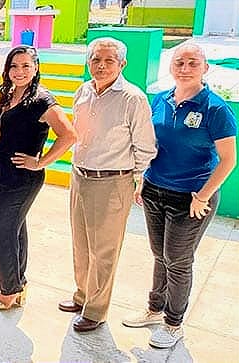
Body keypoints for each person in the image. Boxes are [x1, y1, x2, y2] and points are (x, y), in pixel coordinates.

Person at [121, 43, 237, 348]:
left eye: (192, 63)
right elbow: (151, 147)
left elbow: (228, 160)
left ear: (205, 68)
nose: (184, 68)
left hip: (192, 198)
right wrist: (142, 180)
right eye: (179, 62)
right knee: (160, 255)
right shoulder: (160, 100)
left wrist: (203, 196)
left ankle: (173, 324)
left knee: (178, 260)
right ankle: (154, 309)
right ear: (171, 67)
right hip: (155, 190)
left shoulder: (215, 108)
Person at [58, 37, 157, 332]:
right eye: (95, 60)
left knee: (104, 250)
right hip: (80, 176)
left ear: (122, 64)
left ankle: (96, 311)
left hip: (113, 180)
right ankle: (82, 296)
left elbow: (145, 147)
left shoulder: (132, 98)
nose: (100, 66)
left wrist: (131, 178)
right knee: (81, 243)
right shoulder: (83, 91)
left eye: (108, 61)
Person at [0, 45, 77, 310]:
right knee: (14, 228)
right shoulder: (8, 94)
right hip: (1, 169)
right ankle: (19, 285)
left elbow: (69, 134)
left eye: (26, 66)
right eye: (14, 66)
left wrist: (41, 162)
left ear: (36, 68)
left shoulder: (41, 99)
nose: (19, 71)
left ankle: (9, 290)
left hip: (24, 177)